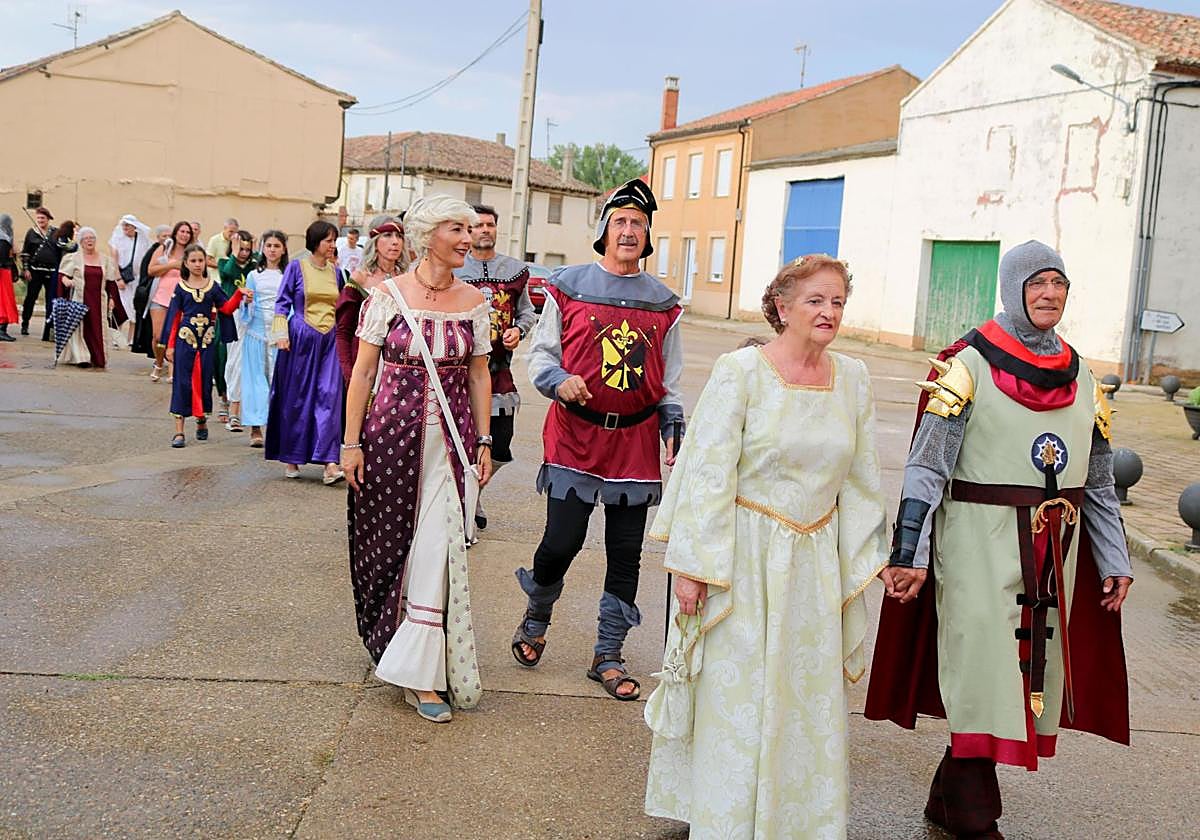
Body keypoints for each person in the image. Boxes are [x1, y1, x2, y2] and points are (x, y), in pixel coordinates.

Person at [865, 240, 1134, 840]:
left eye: (1059, 284)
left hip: (1049, 552)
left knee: (1021, 675)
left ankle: (948, 795)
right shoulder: (968, 364)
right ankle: (973, 815)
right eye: (1037, 282)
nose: (1050, 294)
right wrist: (907, 552)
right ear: (1014, 288)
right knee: (982, 666)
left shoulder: (1082, 373)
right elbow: (927, 465)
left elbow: (1099, 480)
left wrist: (1114, 558)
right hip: (976, 543)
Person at [643, 255, 888, 837]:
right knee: (739, 694)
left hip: (814, 564)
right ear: (782, 307)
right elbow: (708, 470)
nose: (829, 313)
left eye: (837, 302)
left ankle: (797, 820)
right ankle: (725, 817)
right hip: (742, 558)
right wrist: (693, 568)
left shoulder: (853, 377)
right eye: (816, 301)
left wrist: (871, 558)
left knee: (803, 696)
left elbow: (861, 478)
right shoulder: (741, 372)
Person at [513, 179, 684, 700]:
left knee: (625, 553)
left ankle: (607, 653)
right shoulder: (569, 285)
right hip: (575, 436)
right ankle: (537, 615)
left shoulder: (664, 303)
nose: (629, 230)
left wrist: (673, 424)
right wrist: (559, 381)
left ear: (648, 235)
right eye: (621, 221)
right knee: (562, 541)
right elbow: (541, 354)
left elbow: (669, 378)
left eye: (638, 223)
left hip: (634, 442)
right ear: (603, 231)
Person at [341, 195, 492, 724]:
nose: (468, 239)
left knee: (437, 552)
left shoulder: (476, 301)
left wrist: (484, 442)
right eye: (458, 228)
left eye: (470, 230)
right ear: (430, 234)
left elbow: (478, 374)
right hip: (388, 442)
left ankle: (425, 678)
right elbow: (362, 374)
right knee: (385, 552)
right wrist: (350, 442)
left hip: (449, 449)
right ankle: (391, 645)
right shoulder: (385, 296)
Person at [453, 203, 536, 530]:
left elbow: (527, 312)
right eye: (478, 226)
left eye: (490, 225)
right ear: (469, 231)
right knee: (462, 440)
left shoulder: (514, 270)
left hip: (499, 369)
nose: (485, 230)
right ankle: (464, 499)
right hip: (459, 370)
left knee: (500, 444)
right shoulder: (455, 268)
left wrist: (520, 329)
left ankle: (476, 489)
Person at [265, 220, 346, 483]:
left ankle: (329, 462)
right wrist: (281, 335)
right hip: (300, 338)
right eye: (328, 240)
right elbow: (281, 302)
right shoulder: (296, 267)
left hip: (330, 340)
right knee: (297, 396)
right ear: (316, 242)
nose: (333, 245)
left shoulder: (337, 273)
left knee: (330, 396)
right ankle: (292, 455)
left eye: (335, 240)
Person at [161, 244, 249, 447]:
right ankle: (179, 431)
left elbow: (225, 308)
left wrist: (238, 294)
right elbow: (174, 318)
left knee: (204, 381)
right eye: (193, 261)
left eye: (201, 260)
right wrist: (170, 346)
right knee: (182, 382)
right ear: (186, 263)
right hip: (185, 340)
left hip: (206, 342)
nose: (198, 264)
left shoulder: (212, 286)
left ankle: (201, 420)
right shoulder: (181, 287)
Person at [335, 216, 406, 385]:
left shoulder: (408, 279)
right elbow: (343, 331)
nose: (395, 242)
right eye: (387, 235)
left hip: (399, 368)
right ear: (374, 241)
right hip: (364, 364)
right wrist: (348, 372)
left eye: (399, 236)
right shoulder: (360, 279)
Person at [240, 230, 288, 448]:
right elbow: (246, 305)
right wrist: (247, 301)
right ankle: (255, 427)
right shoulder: (253, 275)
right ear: (263, 248)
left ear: (284, 249)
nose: (272, 250)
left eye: (276, 246)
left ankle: (277, 428)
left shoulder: (288, 274)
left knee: (278, 381)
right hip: (256, 332)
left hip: (280, 333)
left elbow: (293, 305)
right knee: (255, 381)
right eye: (268, 245)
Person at [56, 227, 121, 368]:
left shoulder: (105, 260)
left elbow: (111, 282)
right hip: (80, 298)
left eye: (92, 238)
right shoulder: (73, 258)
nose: (89, 240)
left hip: (99, 300)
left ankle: (97, 357)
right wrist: (66, 281)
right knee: (80, 328)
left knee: (98, 328)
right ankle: (82, 357)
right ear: (81, 241)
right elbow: (62, 275)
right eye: (86, 238)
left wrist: (112, 299)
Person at [216, 230, 257, 431]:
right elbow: (228, 273)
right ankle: (224, 397)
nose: (244, 253)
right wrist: (233, 252)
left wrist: (255, 253)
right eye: (241, 249)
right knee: (223, 358)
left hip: (247, 318)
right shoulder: (225, 263)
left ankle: (235, 406)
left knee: (241, 362)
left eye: (247, 249)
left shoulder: (253, 267)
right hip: (227, 316)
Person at [147, 221, 196, 381]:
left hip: (182, 299)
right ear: (176, 233)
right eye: (182, 231)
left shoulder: (192, 252)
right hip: (161, 297)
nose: (184, 235)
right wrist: (172, 265)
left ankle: (172, 370)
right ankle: (159, 363)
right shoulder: (165, 248)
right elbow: (151, 270)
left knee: (175, 336)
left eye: (188, 232)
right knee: (158, 336)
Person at [108, 214, 152, 345]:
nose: (125, 228)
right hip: (122, 279)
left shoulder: (142, 239)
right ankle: (117, 338)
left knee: (134, 308)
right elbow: (114, 260)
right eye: (124, 225)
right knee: (120, 308)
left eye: (128, 225)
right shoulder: (117, 239)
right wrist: (118, 278)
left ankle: (132, 338)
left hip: (137, 279)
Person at [130, 225, 171, 358]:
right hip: (154, 293)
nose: (167, 239)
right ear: (158, 238)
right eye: (164, 236)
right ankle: (157, 357)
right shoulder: (154, 251)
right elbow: (147, 272)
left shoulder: (173, 252)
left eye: (169, 236)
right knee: (156, 332)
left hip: (169, 294)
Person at [20, 207, 59, 340]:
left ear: (48, 219)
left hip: (51, 272)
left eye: (43, 218)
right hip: (35, 271)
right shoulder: (31, 233)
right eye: (38, 218)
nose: (40, 220)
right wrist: (26, 269)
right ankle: (25, 323)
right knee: (30, 298)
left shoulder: (55, 233)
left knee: (51, 301)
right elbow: (25, 252)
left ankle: (48, 329)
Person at [0, 215, 18, 342]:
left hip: (4, 271)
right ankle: (1, 330)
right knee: (4, 301)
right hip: (2, 273)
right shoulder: (3, 239)